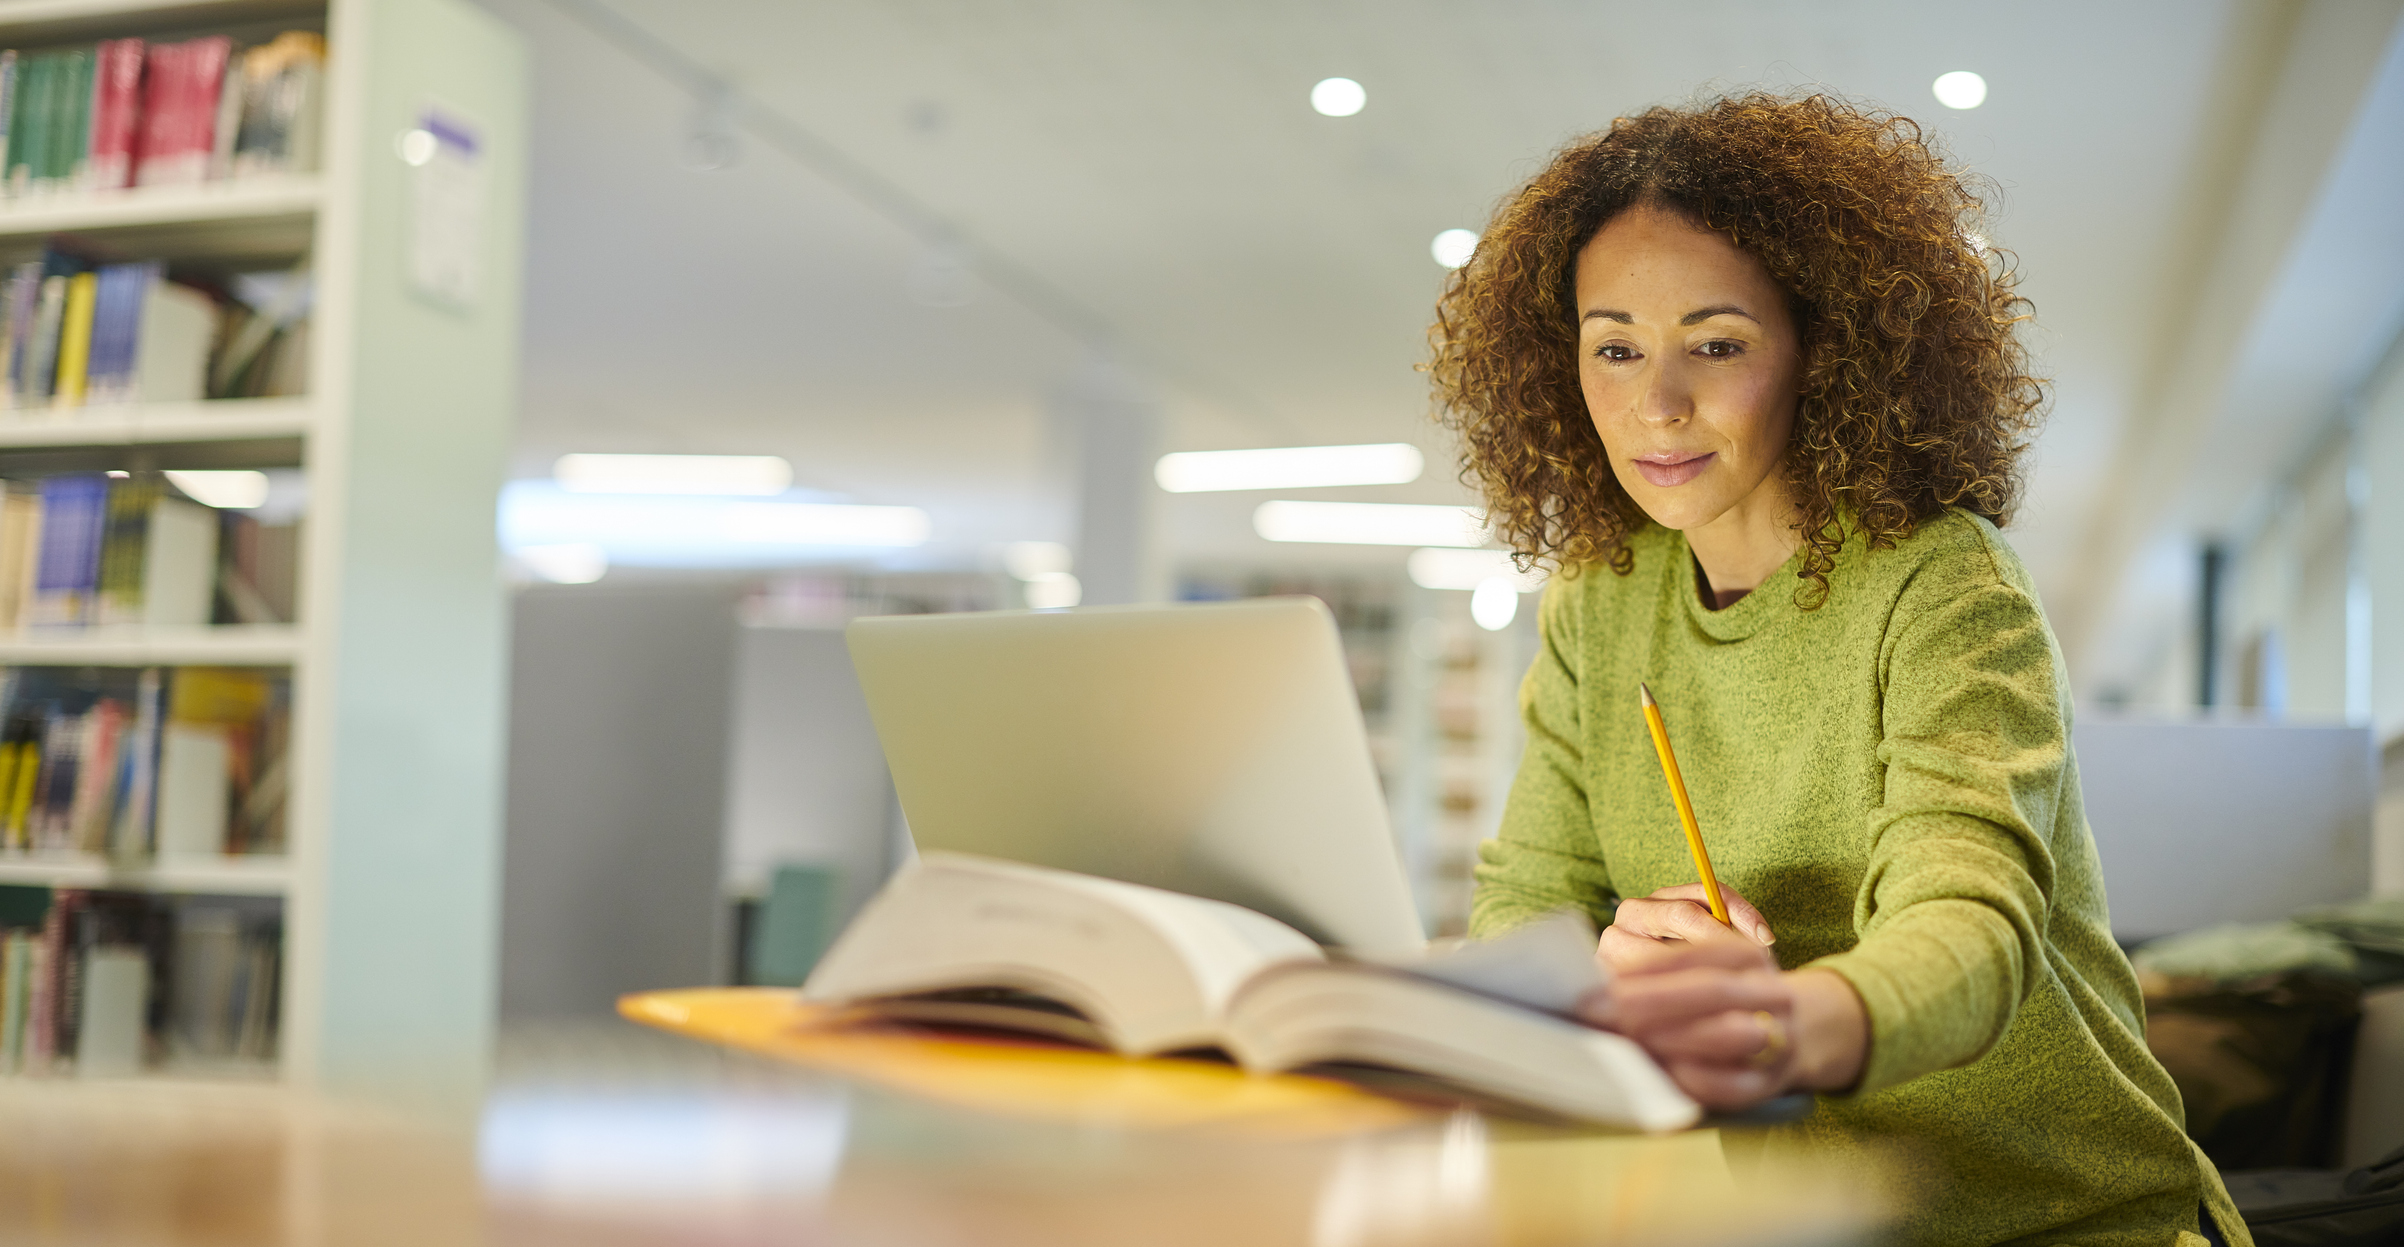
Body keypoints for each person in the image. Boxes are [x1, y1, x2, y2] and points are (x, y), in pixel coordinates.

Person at [1432, 93, 2244, 1246]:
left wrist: (1785, 1021)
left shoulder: (1944, 582)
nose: (1656, 402)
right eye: (1614, 346)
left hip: (2060, 1217)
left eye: (1716, 343)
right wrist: (1598, 960)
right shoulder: (1600, 598)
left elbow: (1971, 918)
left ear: (1826, 348)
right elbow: (1529, 890)